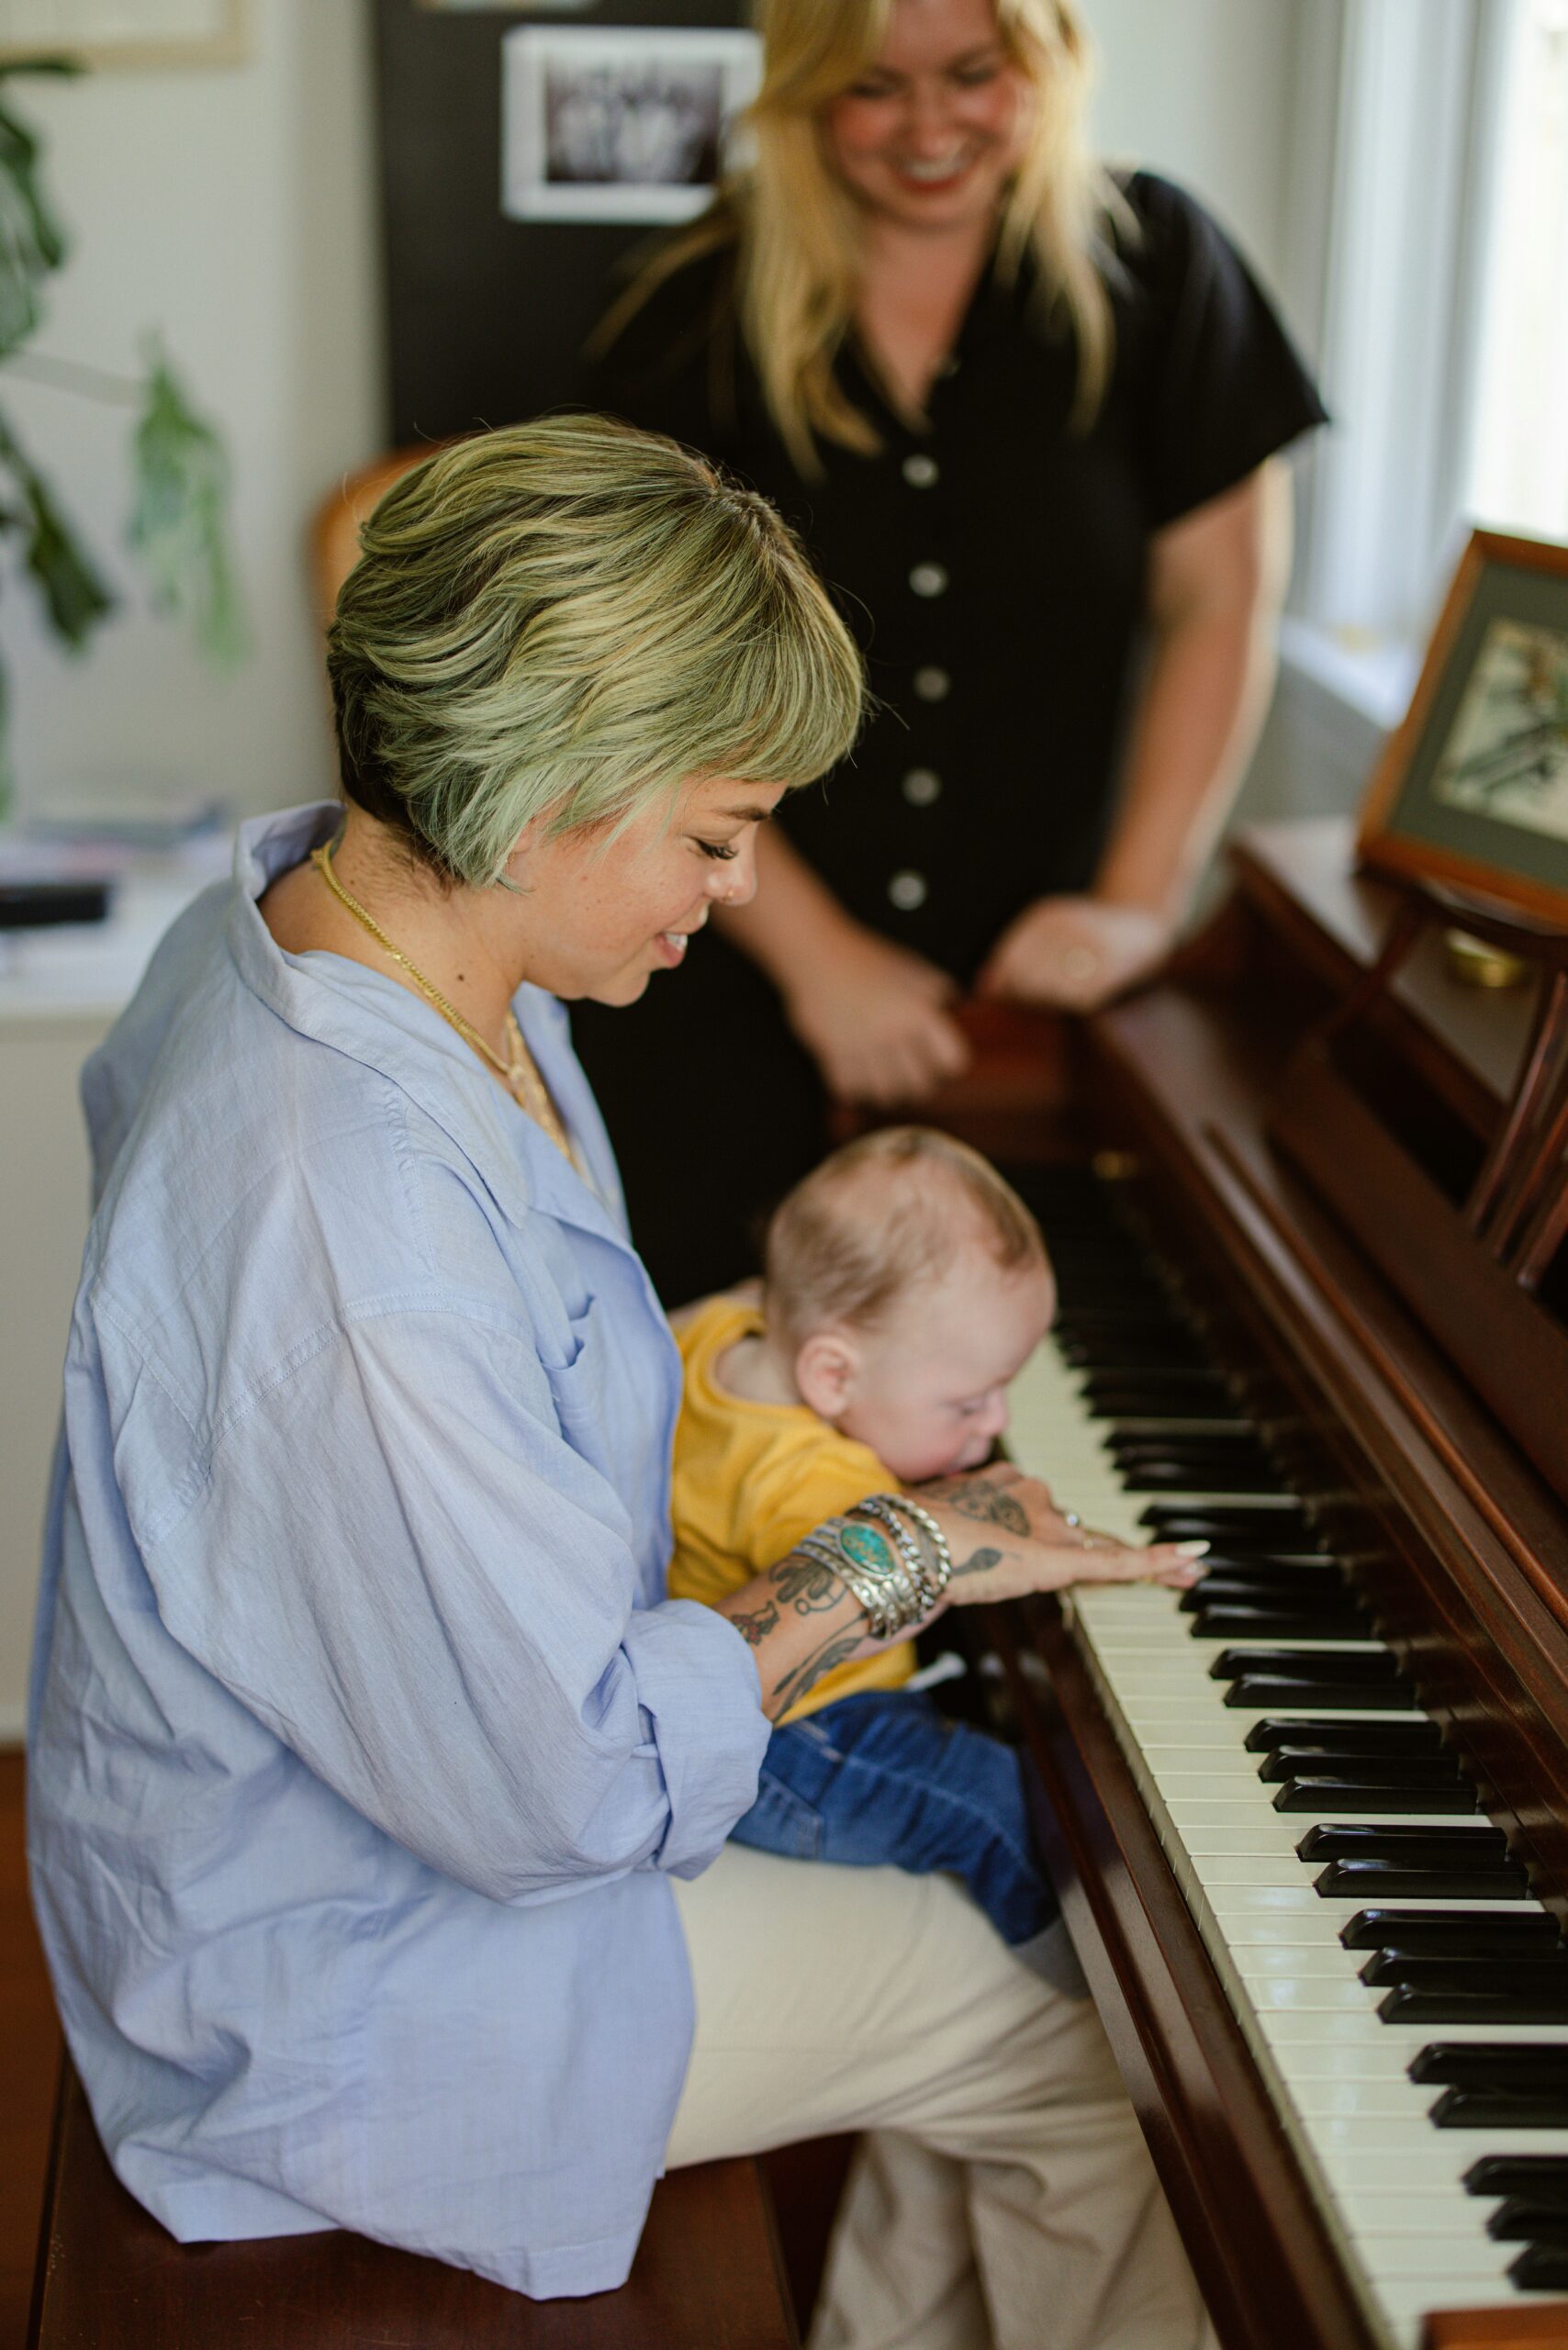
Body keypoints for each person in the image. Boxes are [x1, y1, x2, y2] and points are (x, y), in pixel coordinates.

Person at [28, 414, 1215, 2345]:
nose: (738, 887)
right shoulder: (343, 1202)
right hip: (341, 1973)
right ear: (542, 780)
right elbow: (562, 1783)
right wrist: (892, 1554)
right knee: (1123, 2036)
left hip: (353, 1818)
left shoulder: (361, 931)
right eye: (713, 830)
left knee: (1009, 1911)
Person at [571, 0, 1328, 1305]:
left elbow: (1219, 602)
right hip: (732, 988)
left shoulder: (1163, 266)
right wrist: (820, 961)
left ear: (1050, 63)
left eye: (975, 75)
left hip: (1027, 1014)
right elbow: (635, 676)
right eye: (874, 88)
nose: (931, 129)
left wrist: (1139, 903)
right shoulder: (693, 300)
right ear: (805, 92)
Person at [672, 1125, 1191, 1978]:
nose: (995, 1425)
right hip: (791, 1747)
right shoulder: (815, 1484)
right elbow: (872, 1609)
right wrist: (986, 1555)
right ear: (833, 1376)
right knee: (986, 1801)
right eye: (968, 1401)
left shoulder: (729, 1332)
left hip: (737, 1685)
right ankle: (1081, 1984)